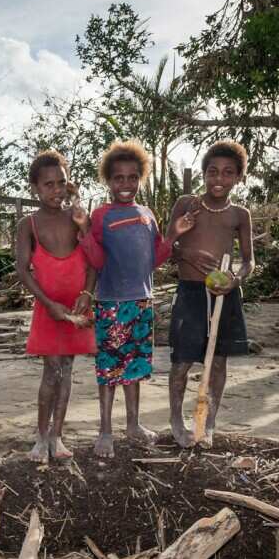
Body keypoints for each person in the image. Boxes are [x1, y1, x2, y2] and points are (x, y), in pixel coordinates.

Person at [79, 140, 191, 458]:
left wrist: (172, 236)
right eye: (118, 178)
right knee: (109, 369)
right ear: (109, 180)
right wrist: (84, 235)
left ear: (141, 177)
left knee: (135, 367)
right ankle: (105, 430)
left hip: (142, 301)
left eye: (132, 177)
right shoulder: (101, 215)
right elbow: (97, 262)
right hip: (111, 304)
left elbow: (152, 260)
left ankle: (133, 424)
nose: (125, 184)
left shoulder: (147, 214)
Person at [167, 140, 255, 448]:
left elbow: (249, 260)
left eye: (228, 173)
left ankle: (208, 422)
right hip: (191, 292)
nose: (219, 179)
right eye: (213, 172)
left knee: (218, 363)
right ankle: (176, 419)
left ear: (238, 178)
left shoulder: (239, 215)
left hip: (224, 296)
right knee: (181, 362)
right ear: (204, 174)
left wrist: (235, 279)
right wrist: (186, 255)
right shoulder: (186, 204)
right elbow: (166, 248)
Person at [15, 150, 97, 462]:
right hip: (48, 308)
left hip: (77, 306)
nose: (56, 190)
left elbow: (93, 262)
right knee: (51, 370)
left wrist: (87, 295)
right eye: (48, 184)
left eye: (61, 182)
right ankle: (41, 437)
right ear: (35, 187)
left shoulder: (77, 217)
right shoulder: (29, 225)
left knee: (67, 369)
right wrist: (48, 303)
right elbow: (23, 269)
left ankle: (58, 436)